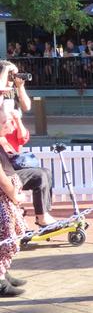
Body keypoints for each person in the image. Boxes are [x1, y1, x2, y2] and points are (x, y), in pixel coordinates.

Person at [0, 61, 56, 227]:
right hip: (4, 152)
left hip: (12, 151)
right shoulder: (2, 91)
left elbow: (27, 106)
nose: (13, 77)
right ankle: (42, 216)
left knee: (45, 172)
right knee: (39, 176)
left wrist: (20, 86)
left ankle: (43, 214)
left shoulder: (11, 92)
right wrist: (5, 72)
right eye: (12, 74)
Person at [0, 104, 28, 297]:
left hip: (8, 196)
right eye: (3, 122)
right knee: (5, 236)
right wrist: (14, 195)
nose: (6, 124)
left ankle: (3, 271)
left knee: (12, 232)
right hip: (4, 197)